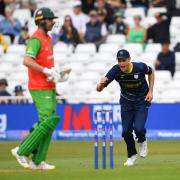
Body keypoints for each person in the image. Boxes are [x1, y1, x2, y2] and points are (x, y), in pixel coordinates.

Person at [11, 7, 61, 170]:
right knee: (49, 120)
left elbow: (46, 63)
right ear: (41, 21)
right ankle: (21, 150)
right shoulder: (36, 38)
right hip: (39, 87)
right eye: (50, 19)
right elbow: (27, 60)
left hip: (49, 85)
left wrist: (56, 73)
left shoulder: (47, 37)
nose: (53, 21)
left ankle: (38, 161)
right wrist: (46, 71)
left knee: (48, 122)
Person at [96, 49, 154, 166]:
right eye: (119, 60)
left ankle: (142, 140)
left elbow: (151, 73)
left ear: (129, 60)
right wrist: (100, 84)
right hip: (126, 102)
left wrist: (151, 91)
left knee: (138, 128)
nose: (121, 63)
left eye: (124, 60)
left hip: (142, 101)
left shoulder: (140, 67)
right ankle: (132, 156)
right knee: (126, 131)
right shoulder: (115, 70)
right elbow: (99, 89)